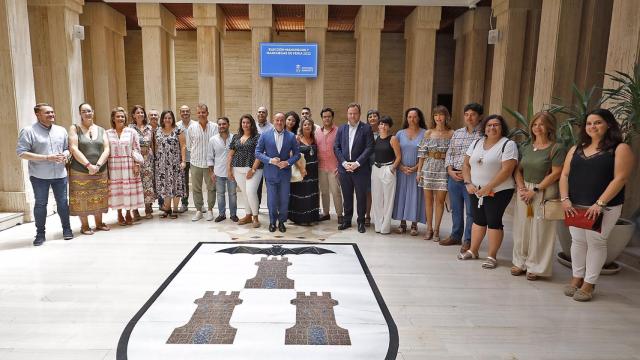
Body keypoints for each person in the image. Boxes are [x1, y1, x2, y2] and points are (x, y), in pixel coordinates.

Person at [560, 109, 634, 302]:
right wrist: (564, 199)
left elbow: (621, 178)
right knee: (577, 241)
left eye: (598, 122)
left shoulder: (619, 148)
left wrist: (599, 203)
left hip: (604, 207)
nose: (592, 126)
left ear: (608, 124)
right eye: (589, 123)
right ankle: (576, 278)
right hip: (575, 205)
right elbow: (565, 175)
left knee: (596, 242)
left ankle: (589, 283)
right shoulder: (575, 149)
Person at [458, 114, 518, 270]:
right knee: (478, 220)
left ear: (502, 127)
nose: (492, 128)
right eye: (489, 125)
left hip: (498, 191)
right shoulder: (476, 142)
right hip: (476, 190)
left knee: (493, 222)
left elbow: (507, 170)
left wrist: (488, 187)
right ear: (484, 127)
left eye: (496, 125)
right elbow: (466, 165)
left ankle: (492, 256)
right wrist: (467, 182)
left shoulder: (508, 144)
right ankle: (473, 250)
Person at [512, 112, 566, 280]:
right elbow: (517, 170)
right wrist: (521, 187)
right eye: (535, 124)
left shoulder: (556, 148)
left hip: (543, 191)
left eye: (541, 124)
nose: (537, 128)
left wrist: (534, 190)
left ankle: (535, 266)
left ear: (550, 126)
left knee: (540, 230)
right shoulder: (527, 146)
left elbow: (556, 174)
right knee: (522, 227)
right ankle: (520, 262)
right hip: (524, 191)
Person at [16, 103, 73, 246]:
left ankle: (67, 229)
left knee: (63, 203)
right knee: (41, 204)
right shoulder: (28, 131)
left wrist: (65, 155)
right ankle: (40, 234)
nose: (51, 115)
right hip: (39, 175)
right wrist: (47, 158)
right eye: (47, 113)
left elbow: (67, 149)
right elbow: (21, 152)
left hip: (60, 174)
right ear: (38, 115)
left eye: (52, 112)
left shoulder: (61, 130)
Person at [442, 103, 483, 251]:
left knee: (471, 211)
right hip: (454, 176)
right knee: (456, 208)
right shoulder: (458, 133)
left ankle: (468, 239)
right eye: (466, 114)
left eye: (472, 114)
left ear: (479, 116)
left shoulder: (483, 134)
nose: (469, 117)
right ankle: (455, 235)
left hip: (472, 179)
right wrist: (450, 170)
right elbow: (450, 153)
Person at [68, 103, 110, 235]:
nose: (87, 113)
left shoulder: (101, 129)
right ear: (80, 113)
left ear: (93, 112)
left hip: (100, 169)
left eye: (89, 111)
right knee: (82, 197)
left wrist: (97, 165)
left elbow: (107, 148)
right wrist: (88, 165)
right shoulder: (74, 128)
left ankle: (99, 223)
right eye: (84, 111)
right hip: (80, 170)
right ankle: (85, 226)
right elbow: (73, 148)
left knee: (99, 196)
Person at [256, 112, 301, 233]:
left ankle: (281, 222)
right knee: (271, 200)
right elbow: (258, 152)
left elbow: (297, 154)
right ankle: (272, 222)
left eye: (282, 120)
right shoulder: (265, 135)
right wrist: (270, 160)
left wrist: (288, 162)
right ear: (273, 121)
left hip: (285, 173)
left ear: (284, 121)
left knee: (284, 199)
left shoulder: (291, 136)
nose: (279, 122)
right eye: (277, 120)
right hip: (270, 173)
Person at [333, 103, 375, 233]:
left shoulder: (366, 128)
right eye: (350, 113)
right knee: (347, 195)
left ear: (359, 114)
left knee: (361, 196)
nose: (352, 116)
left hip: (360, 168)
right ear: (347, 114)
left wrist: (357, 163)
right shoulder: (341, 129)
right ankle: (347, 220)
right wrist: (344, 163)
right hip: (344, 168)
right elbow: (336, 147)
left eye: (355, 113)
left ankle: (361, 221)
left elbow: (369, 147)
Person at [417, 106, 454, 241]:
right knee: (428, 201)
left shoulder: (451, 133)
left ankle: (437, 229)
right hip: (428, 166)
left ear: (446, 117)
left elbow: (453, 153)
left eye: (441, 115)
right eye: (436, 115)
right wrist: (419, 171)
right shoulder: (428, 133)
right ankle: (429, 228)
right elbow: (422, 153)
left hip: (443, 168)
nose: (438, 118)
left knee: (440, 201)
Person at [106, 107, 145, 226]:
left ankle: (128, 212)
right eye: (117, 116)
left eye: (122, 116)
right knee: (117, 190)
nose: (120, 118)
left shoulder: (131, 132)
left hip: (128, 165)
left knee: (128, 190)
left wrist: (137, 164)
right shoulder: (107, 133)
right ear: (113, 118)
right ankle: (119, 213)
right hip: (114, 166)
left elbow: (136, 149)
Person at [392, 108, 427, 236]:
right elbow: (395, 152)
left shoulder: (425, 133)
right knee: (401, 195)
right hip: (402, 170)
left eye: (415, 117)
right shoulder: (400, 133)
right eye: (409, 117)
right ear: (406, 119)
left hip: (417, 171)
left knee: (415, 196)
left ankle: (414, 224)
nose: (412, 119)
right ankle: (402, 224)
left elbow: (426, 154)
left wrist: (417, 167)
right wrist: (400, 166)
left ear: (419, 118)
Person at [228, 114, 263, 228]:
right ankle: (248, 216)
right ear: (241, 124)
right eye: (243, 122)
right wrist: (229, 169)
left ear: (252, 124)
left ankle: (255, 217)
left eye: (248, 122)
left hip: (254, 169)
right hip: (237, 169)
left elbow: (259, 155)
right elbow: (231, 154)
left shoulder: (257, 137)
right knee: (245, 193)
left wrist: (252, 170)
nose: (245, 124)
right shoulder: (236, 137)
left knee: (251, 192)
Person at [186, 103, 218, 221]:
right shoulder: (191, 128)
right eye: (199, 112)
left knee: (211, 188)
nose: (201, 114)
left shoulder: (214, 127)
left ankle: (210, 210)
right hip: (195, 163)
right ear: (196, 114)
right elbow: (189, 146)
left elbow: (216, 144)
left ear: (207, 113)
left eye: (203, 112)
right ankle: (199, 210)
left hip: (210, 165)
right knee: (196, 188)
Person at [371, 116, 401, 234]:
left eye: (385, 124)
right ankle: (378, 225)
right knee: (377, 198)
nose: (382, 126)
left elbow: (398, 156)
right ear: (378, 126)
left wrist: (392, 169)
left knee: (388, 199)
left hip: (388, 169)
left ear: (389, 127)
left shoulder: (392, 139)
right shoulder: (377, 138)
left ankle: (385, 227)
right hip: (376, 169)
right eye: (381, 124)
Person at [155, 110, 186, 219]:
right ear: (162, 119)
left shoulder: (178, 130)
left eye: (169, 118)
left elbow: (183, 146)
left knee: (176, 185)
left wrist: (183, 161)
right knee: (165, 186)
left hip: (175, 163)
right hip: (162, 164)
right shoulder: (158, 131)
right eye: (165, 118)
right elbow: (156, 147)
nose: (167, 120)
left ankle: (175, 209)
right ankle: (167, 208)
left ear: (172, 119)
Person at [289, 118, 320, 225]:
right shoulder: (297, 139)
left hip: (313, 172)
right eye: (305, 125)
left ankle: (311, 217)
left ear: (312, 127)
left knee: (311, 194)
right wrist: (302, 169)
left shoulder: (314, 139)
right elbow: (293, 155)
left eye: (309, 125)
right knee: (301, 194)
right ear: (301, 127)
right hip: (301, 170)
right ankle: (300, 218)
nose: (307, 126)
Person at [315, 107, 343, 223]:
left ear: (332, 117)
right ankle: (326, 213)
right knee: (324, 192)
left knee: (336, 191)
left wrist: (340, 166)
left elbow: (343, 149)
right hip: (321, 167)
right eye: (324, 117)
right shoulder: (317, 132)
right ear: (322, 118)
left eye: (329, 116)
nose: (327, 118)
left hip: (334, 168)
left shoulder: (339, 131)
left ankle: (340, 215)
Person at [207, 117, 238, 222]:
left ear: (228, 125)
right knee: (220, 194)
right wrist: (211, 172)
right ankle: (221, 214)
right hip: (218, 172)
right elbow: (210, 157)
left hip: (232, 172)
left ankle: (233, 214)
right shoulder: (213, 140)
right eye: (219, 124)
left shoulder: (235, 138)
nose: (221, 126)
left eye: (224, 124)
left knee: (232, 194)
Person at [129, 105, 155, 220]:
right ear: (133, 115)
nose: (140, 114)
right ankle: (135, 211)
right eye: (138, 113)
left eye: (142, 112)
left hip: (148, 160)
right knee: (135, 184)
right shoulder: (130, 128)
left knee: (148, 184)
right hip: (135, 160)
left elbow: (153, 144)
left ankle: (148, 208)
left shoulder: (149, 128)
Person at [176, 105, 194, 213]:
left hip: (195, 158)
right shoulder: (177, 125)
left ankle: (199, 204)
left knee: (197, 183)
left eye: (187, 111)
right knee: (184, 182)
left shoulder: (195, 124)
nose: (185, 113)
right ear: (180, 113)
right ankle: (184, 203)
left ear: (190, 112)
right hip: (182, 159)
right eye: (183, 111)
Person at [365, 109, 380, 227]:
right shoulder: (364, 132)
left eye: (375, 116)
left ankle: (380, 217)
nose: (372, 118)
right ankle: (367, 216)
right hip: (366, 166)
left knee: (380, 192)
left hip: (380, 165)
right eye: (370, 116)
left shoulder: (383, 131)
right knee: (368, 192)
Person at [255, 106, 272, 208]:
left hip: (268, 160)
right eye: (259, 112)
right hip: (256, 160)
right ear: (257, 114)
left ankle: (272, 207)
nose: (261, 114)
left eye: (263, 112)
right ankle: (256, 207)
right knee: (257, 185)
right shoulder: (252, 127)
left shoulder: (272, 127)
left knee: (270, 185)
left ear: (267, 114)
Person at [148, 109, 164, 210]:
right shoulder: (146, 129)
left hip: (160, 159)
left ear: (158, 117)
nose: (154, 116)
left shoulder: (161, 129)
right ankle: (148, 204)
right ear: (148, 117)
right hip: (148, 159)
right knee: (149, 181)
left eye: (155, 115)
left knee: (161, 180)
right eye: (151, 115)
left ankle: (161, 203)